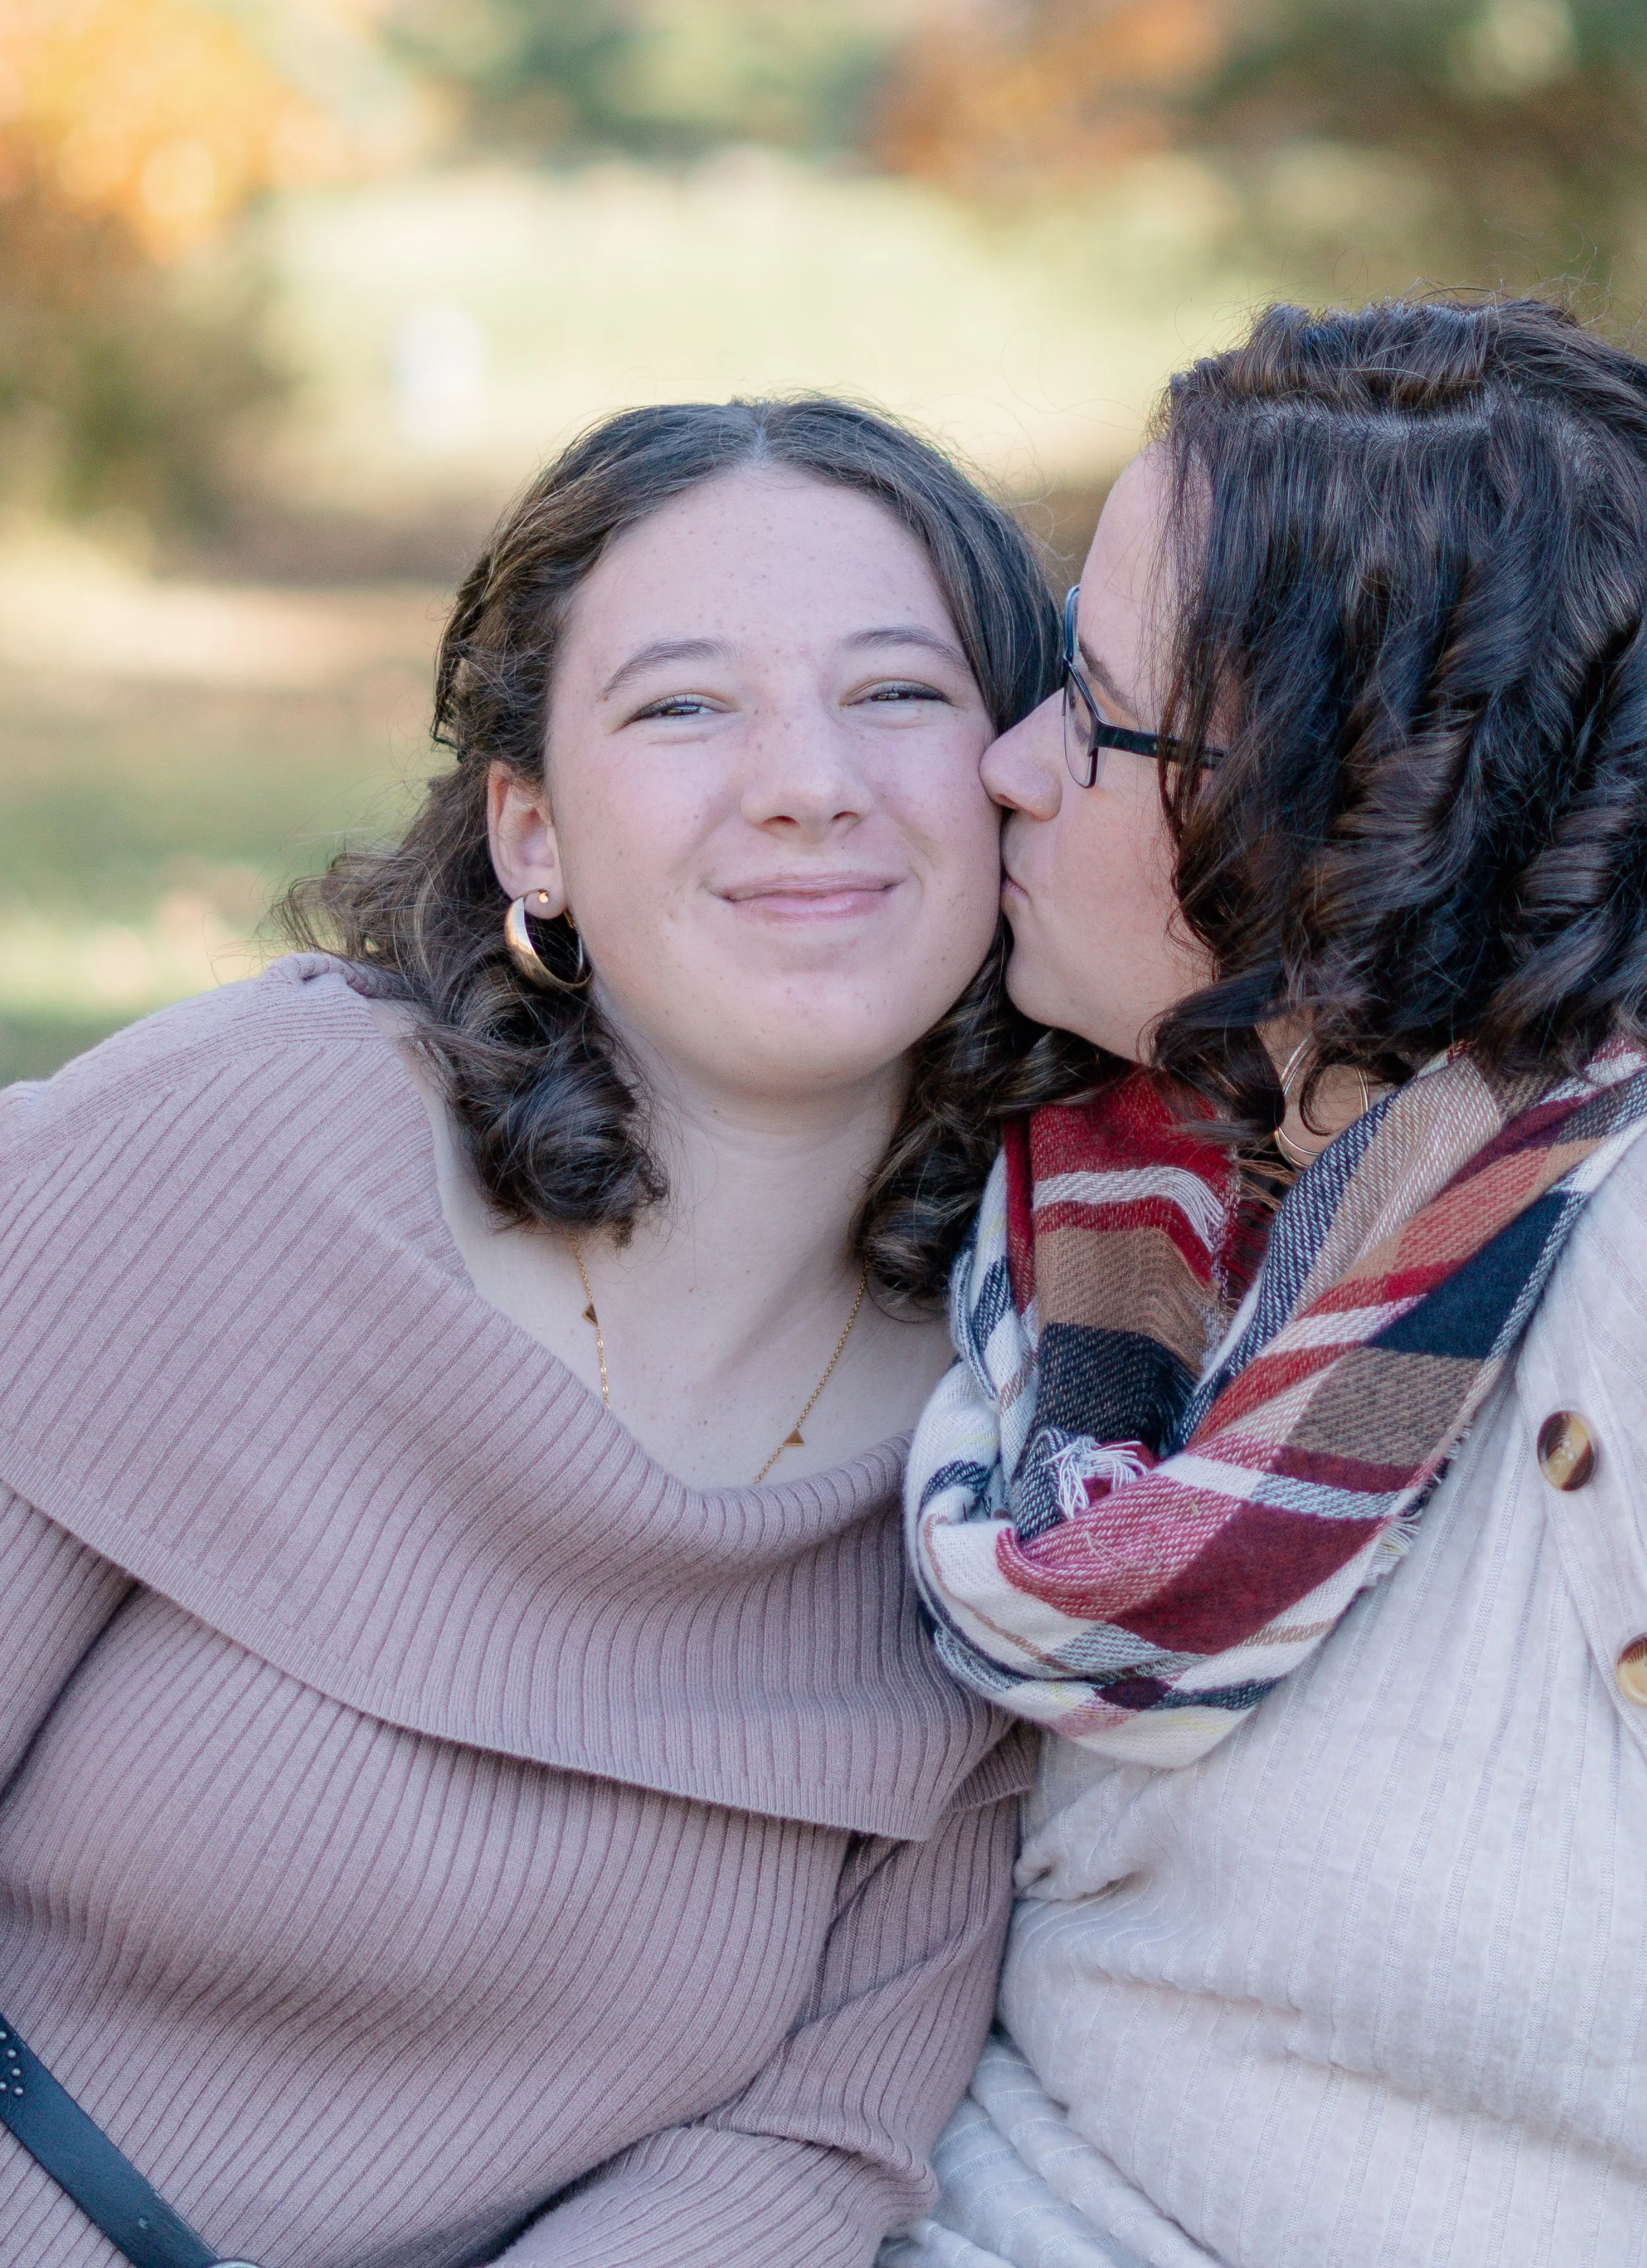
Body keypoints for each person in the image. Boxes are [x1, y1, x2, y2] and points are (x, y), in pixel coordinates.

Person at [0, 397, 1057, 2267]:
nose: (809, 778)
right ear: (532, 832)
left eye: (897, 692)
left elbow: (808, 2139)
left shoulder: (1019, 1451)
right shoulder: (230, 1150)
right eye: (681, 705)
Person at [890, 300, 1647, 2268]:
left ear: (1353, 812)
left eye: (1092, 707)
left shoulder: (1608, 1276)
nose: (1007, 760)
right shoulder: (1102, 1206)